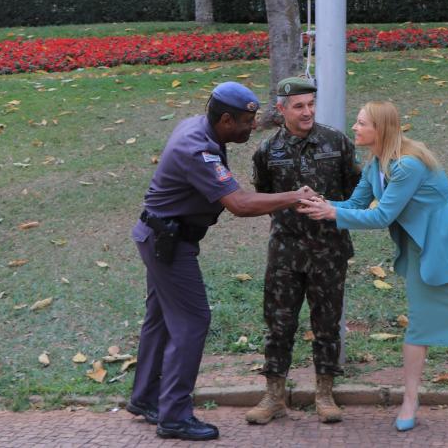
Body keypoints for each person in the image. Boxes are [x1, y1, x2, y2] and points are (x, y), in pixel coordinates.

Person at [298, 101, 448, 432]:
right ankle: (410, 401)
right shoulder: (375, 165)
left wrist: (332, 214)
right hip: (419, 250)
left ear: (380, 130)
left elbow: (383, 216)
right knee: (419, 324)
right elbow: (355, 205)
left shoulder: (408, 165)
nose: (354, 127)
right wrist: (322, 203)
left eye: (361, 123)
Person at [128, 82, 317, 441]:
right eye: (247, 121)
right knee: (192, 320)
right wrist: (293, 197)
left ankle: (146, 398)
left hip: (160, 236)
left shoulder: (198, 127)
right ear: (226, 119)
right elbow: (240, 204)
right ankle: (174, 416)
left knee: (161, 320)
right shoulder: (196, 149)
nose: (252, 126)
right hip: (169, 243)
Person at [246, 78, 360, 425]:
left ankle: (324, 394)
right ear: (281, 110)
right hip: (285, 252)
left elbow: (355, 192)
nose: (307, 111)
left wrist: (331, 207)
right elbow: (264, 195)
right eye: (298, 106)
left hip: (329, 250)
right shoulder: (268, 151)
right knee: (278, 326)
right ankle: (274, 396)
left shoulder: (336, 142)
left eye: (311, 104)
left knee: (326, 324)